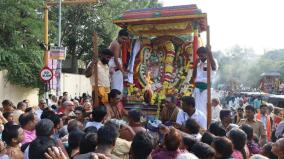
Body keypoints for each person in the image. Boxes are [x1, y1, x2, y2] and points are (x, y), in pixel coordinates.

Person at [190, 46, 217, 121]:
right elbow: (194, 76)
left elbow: (214, 68)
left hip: (206, 89)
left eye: (202, 55)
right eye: (199, 55)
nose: (200, 57)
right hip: (197, 88)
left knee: (204, 109)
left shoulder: (211, 61)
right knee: (196, 108)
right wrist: (195, 65)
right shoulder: (198, 63)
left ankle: (204, 125)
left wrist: (210, 53)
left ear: (206, 54)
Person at [108, 28, 129, 93]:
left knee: (118, 91)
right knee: (116, 92)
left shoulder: (117, 44)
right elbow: (116, 60)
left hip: (116, 71)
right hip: (115, 71)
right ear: (118, 36)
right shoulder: (116, 44)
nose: (124, 41)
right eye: (123, 38)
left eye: (125, 39)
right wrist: (123, 72)